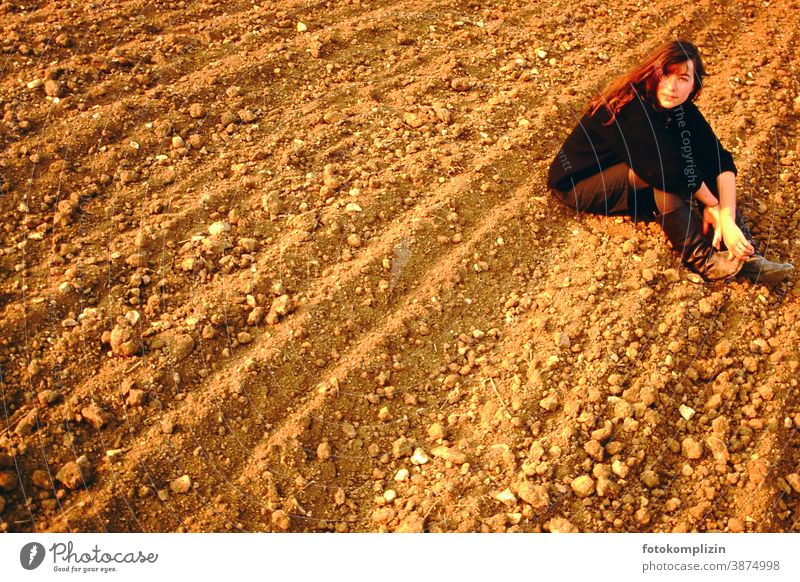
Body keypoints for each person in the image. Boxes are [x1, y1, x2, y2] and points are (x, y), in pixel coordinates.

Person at [547, 39, 793, 284]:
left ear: (694, 86)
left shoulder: (680, 108)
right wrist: (713, 204)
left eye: (683, 79)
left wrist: (726, 219)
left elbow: (719, 159)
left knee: (695, 161)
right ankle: (705, 261)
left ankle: (745, 253)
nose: (672, 87)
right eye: (666, 75)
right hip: (579, 184)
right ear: (653, 74)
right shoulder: (630, 106)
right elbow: (667, 171)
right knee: (666, 178)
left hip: (634, 172)